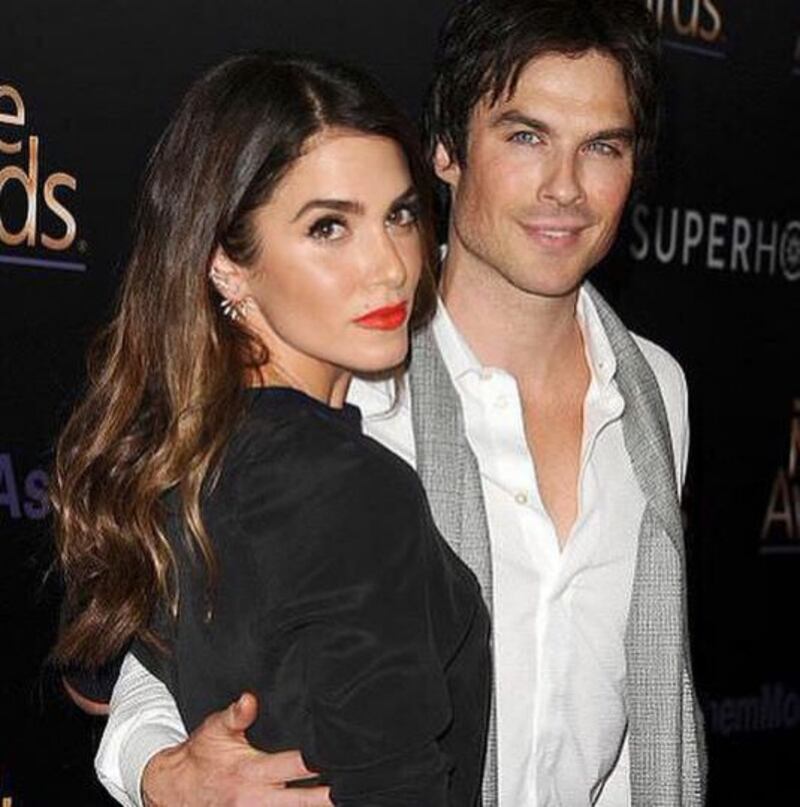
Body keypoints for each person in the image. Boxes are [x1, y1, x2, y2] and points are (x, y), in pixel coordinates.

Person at [86, 1, 709, 805]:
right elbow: (159, 649)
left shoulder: (655, 389)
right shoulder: (357, 379)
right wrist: (162, 771)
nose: (565, 187)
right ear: (445, 150)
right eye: (526, 137)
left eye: (602, 147)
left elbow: (631, 696)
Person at [53, 53, 492, 806]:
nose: (389, 266)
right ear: (227, 262)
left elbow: (107, 667)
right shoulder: (347, 484)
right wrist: (159, 771)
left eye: (400, 215)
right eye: (330, 227)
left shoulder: (180, 451)